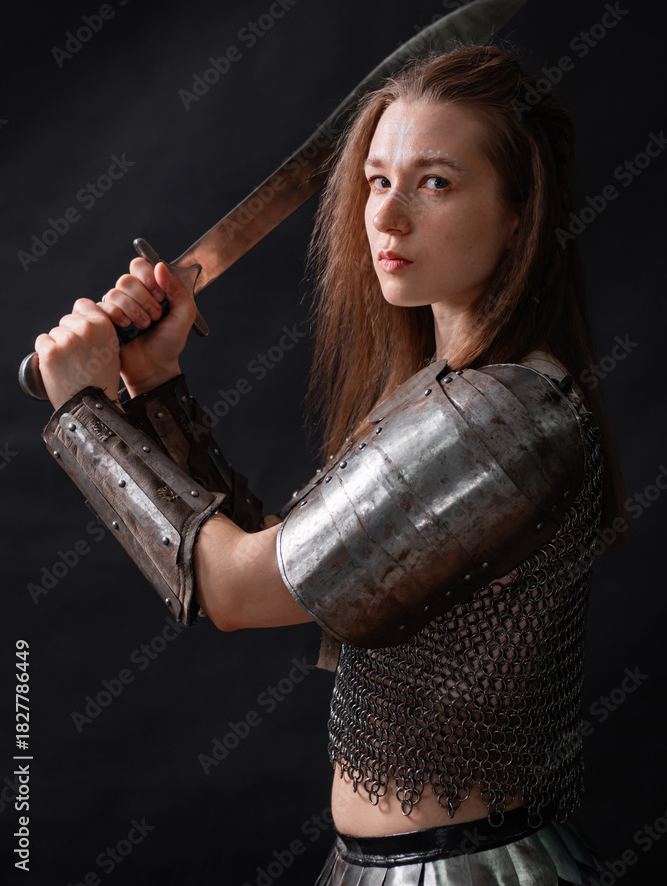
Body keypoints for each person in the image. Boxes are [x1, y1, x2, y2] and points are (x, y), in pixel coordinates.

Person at [35, 45, 623, 884]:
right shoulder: (439, 390)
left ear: (521, 213)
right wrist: (155, 386)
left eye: (435, 183)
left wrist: (84, 414)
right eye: (377, 180)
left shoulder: (500, 415)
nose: (385, 218)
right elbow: (301, 559)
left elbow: (236, 590)